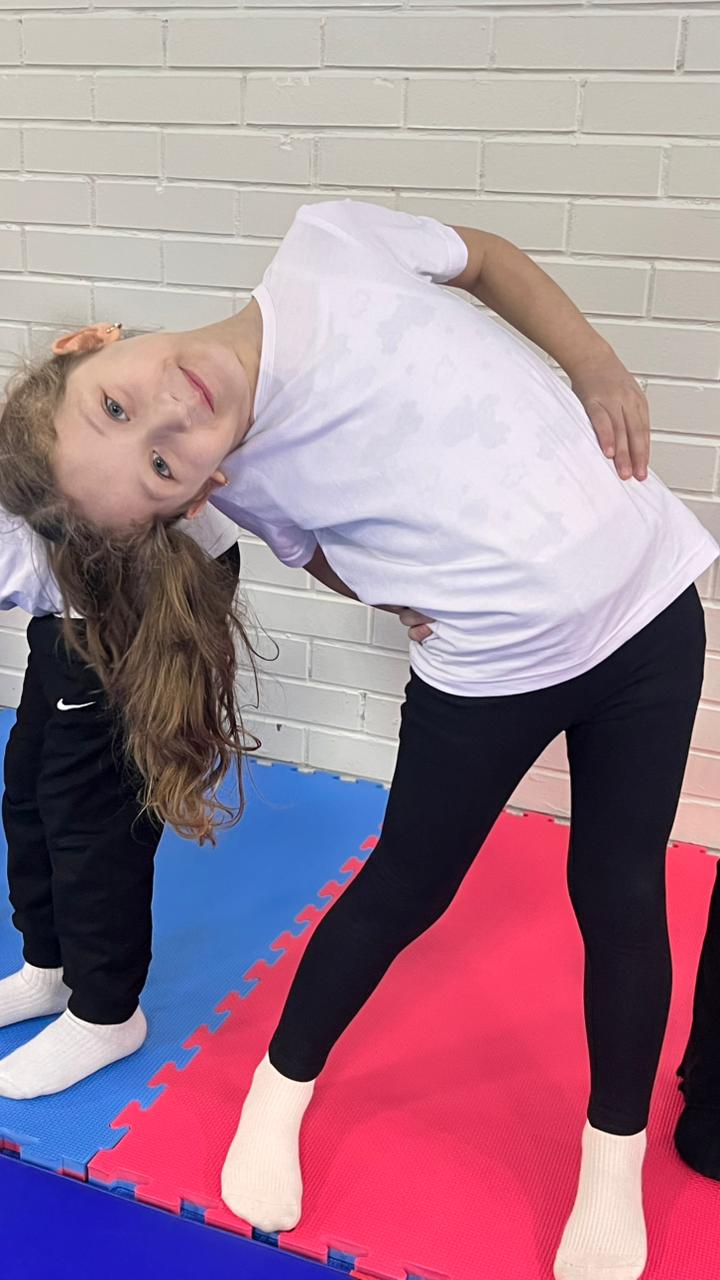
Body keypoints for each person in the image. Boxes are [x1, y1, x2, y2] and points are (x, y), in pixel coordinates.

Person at [0, 198, 717, 1280]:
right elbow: (318, 552)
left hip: (650, 612)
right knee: (406, 887)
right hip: (488, 668)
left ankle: (611, 1159)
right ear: (204, 492)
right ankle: (279, 1087)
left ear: (92, 341)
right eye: (162, 466)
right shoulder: (253, 479)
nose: (171, 420)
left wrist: (595, 363)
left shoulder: (329, 245)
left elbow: (487, 259)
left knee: (622, 891)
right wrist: (402, 598)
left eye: (117, 404)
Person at [0, 501, 241, 1096]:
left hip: (139, 588)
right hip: (70, 597)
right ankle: (50, 968)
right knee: (27, 784)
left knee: (91, 814)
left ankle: (106, 1014)